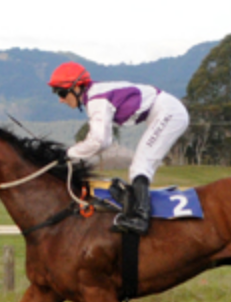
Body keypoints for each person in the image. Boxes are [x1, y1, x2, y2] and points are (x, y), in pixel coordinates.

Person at [47, 61, 189, 235]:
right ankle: (138, 210)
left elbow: (100, 141)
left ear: (77, 88)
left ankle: (140, 218)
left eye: (61, 92)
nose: (61, 99)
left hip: (169, 112)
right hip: (163, 111)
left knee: (140, 165)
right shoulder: (94, 95)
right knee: (139, 166)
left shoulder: (97, 100)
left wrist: (69, 154)